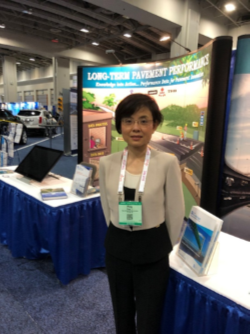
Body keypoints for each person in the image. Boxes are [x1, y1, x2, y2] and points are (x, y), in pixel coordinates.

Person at [99, 93, 185, 334]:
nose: (135, 128)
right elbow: (107, 206)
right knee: (122, 315)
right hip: (117, 247)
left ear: (154, 125)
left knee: (149, 318)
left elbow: (176, 210)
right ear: (120, 126)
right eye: (128, 120)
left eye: (143, 120)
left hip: (153, 247)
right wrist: (119, 229)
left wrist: (165, 243)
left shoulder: (167, 162)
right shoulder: (107, 163)